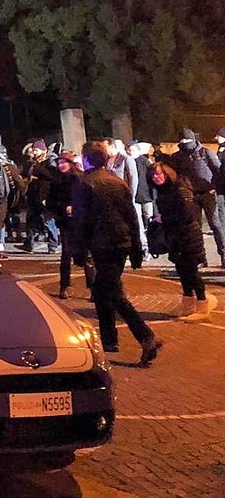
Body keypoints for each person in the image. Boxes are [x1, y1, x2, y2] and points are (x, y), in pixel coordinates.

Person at [71, 141, 161, 366]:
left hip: (102, 245)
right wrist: (137, 248)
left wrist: (79, 250)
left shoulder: (85, 184)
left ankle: (146, 337)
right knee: (102, 292)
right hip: (121, 243)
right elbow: (131, 216)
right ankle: (109, 341)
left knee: (113, 294)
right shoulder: (117, 181)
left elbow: (82, 221)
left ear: (87, 159)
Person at [148, 161, 211, 319]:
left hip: (188, 237)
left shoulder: (180, 189)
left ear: (167, 173)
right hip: (175, 237)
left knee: (191, 271)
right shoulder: (163, 191)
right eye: (153, 175)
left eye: (159, 174)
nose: (156, 178)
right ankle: (188, 304)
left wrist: (163, 218)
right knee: (182, 271)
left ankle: (203, 306)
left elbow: (188, 215)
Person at [171, 128, 224, 267]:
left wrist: (215, 188)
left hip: (208, 194)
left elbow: (219, 172)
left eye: (187, 140)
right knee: (195, 229)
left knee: (216, 225)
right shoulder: (177, 157)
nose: (184, 143)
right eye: (181, 141)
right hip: (190, 196)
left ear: (193, 140)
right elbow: (173, 177)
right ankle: (200, 258)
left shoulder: (206, 153)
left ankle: (224, 255)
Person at [49, 151, 92, 300]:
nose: (61, 165)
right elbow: (51, 202)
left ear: (71, 163)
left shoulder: (80, 178)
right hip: (65, 222)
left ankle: (93, 288)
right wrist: (63, 208)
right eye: (59, 163)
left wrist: (76, 207)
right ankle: (64, 286)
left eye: (63, 162)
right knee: (66, 254)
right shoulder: (56, 181)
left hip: (82, 221)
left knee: (87, 255)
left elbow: (88, 199)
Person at [130, 142, 157, 259]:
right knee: (139, 222)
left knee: (150, 220)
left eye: (131, 151)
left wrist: (153, 194)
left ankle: (154, 244)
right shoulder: (129, 162)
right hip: (136, 198)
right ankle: (144, 247)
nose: (129, 153)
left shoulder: (144, 162)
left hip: (146, 197)